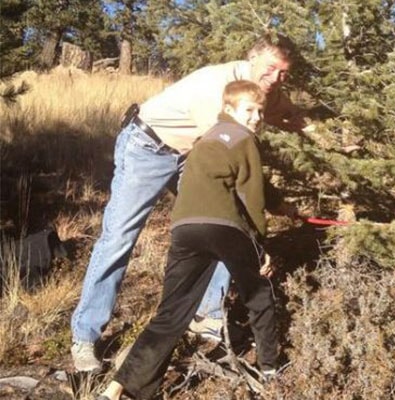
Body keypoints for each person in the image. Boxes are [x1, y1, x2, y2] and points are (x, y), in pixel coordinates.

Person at [71, 33, 306, 372]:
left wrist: (331, 139)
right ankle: (85, 335)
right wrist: (274, 203)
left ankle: (207, 315)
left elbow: (293, 116)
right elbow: (233, 162)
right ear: (252, 58)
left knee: (225, 221)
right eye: (271, 68)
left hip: (192, 154)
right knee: (119, 238)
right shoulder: (217, 86)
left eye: (284, 72)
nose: (276, 78)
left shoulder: (264, 91)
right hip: (148, 147)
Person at [96, 79, 279, 400]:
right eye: (249, 110)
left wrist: (281, 205)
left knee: (170, 314)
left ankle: (115, 389)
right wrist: (261, 246)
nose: (256, 117)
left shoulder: (205, 139)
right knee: (259, 295)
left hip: (184, 229)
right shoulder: (245, 139)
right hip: (225, 226)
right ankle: (271, 372)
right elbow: (252, 197)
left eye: (261, 111)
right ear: (229, 108)